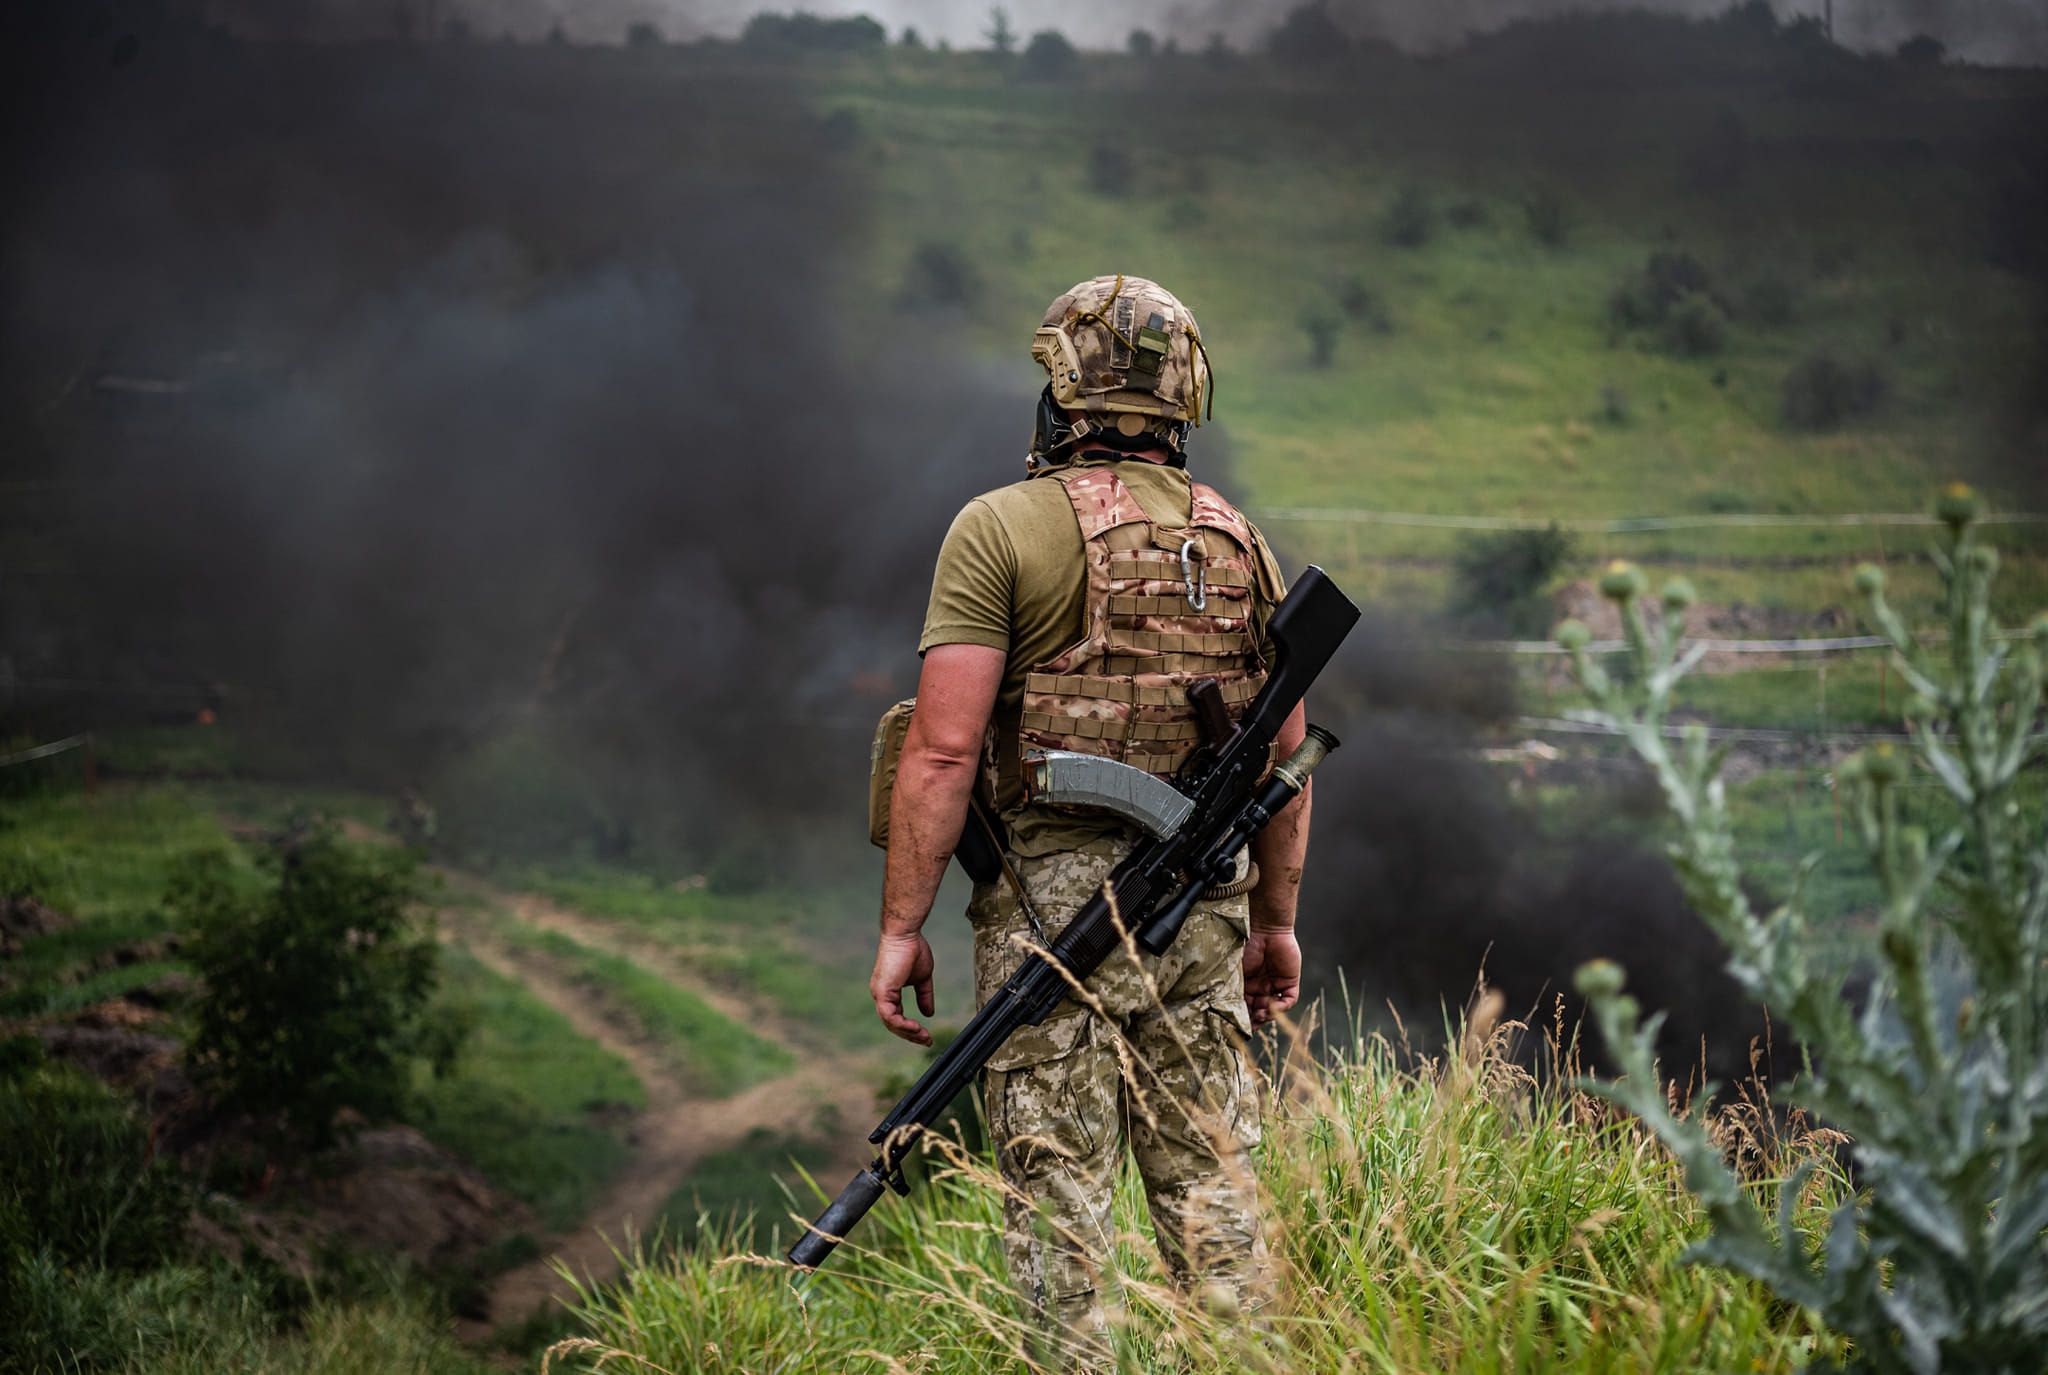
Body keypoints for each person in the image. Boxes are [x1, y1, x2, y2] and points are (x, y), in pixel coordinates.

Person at [867, 274, 1315, 1366]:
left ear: (1062, 388)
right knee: (1214, 1202)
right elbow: (1288, 756)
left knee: (1062, 1216)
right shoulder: (1241, 544)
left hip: (1049, 918)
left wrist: (899, 926)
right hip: (1202, 920)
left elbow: (939, 748)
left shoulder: (1000, 529)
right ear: (1183, 395)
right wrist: (1273, 921)